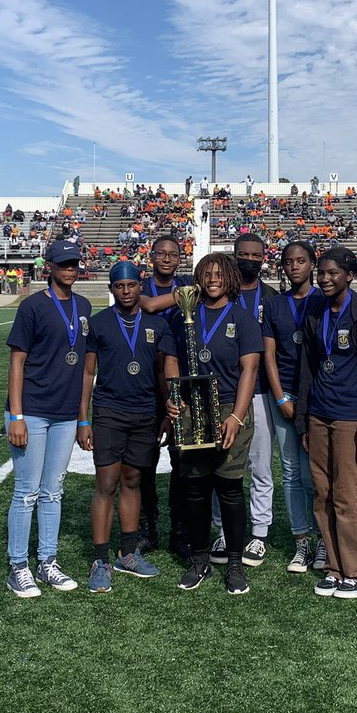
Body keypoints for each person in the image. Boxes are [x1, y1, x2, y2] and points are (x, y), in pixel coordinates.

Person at [295, 247, 357, 599]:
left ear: (350, 276)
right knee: (323, 494)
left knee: (350, 498)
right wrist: (305, 422)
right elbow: (307, 370)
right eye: (321, 272)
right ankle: (336, 567)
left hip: (351, 420)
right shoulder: (315, 310)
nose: (324, 278)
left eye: (332, 272)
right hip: (319, 417)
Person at [161, 253, 262, 595]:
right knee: (195, 488)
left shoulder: (243, 319)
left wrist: (236, 416)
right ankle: (200, 559)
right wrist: (174, 396)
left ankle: (234, 564)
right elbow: (172, 358)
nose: (213, 278)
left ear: (230, 277)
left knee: (230, 488)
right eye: (207, 273)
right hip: (192, 407)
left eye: (219, 273)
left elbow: (249, 369)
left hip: (230, 407)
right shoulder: (184, 315)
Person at [4, 239, 92, 598]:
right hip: (33, 410)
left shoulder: (84, 305)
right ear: (50, 268)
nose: (70, 269)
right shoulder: (33, 306)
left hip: (65, 413)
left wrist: (83, 419)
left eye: (74, 263)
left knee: (53, 490)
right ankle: (18, 566)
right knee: (27, 491)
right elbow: (17, 362)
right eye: (63, 264)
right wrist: (17, 416)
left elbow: (87, 367)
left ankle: (48, 561)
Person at [77, 263, 170, 593]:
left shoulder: (156, 324)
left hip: (144, 412)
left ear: (139, 286)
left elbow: (163, 373)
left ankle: (127, 553)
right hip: (109, 412)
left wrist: (167, 411)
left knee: (133, 480)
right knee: (106, 482)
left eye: (132, 285)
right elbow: (87, 375)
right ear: (112, 289)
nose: (127, 291)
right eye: (120, 286)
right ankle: (101, 558)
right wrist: (83, 419)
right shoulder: (100, 324)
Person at [209, 233, 279, 567]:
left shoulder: (271, 297)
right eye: (242, 254)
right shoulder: (219, 293)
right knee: (220, 465)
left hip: (260, 392)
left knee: (260, 465)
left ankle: (260, 533)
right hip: (221, 395)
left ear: (263, 258)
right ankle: (222, 529)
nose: (249, 259)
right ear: (233, 256)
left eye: (255, 254)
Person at [261, 241, 323, 573]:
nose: (294, 266)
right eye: (288, 262)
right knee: (290, 471)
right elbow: (268, 355)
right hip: (283, 397)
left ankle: (324, 541)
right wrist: (281, 397)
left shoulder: (324, 300)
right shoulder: (274, 304)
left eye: (301, 260)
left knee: (317, 472)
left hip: (318, 400)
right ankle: (302, 543)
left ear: (312, 264)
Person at [137, 234, 195, 553]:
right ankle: (148, 525)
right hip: (145, 383)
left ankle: (179, 527)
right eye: (162, 253)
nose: (168, 258)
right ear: (152, 256)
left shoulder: (187, 281)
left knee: (181, 458)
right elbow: (145, 305)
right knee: (145, 460)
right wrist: (182, 296)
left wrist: (185, 292)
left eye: (174, 254)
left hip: (179, 382)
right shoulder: (143, 286)